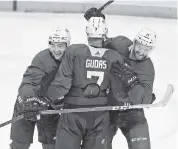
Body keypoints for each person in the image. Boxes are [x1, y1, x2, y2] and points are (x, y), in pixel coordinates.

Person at [46, 16, 125, 149]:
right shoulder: (114, 56)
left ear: (87, 32)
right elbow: (118, 93)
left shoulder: (74, 51)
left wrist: (43, 99)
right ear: (105, 32)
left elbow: (62, 85)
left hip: (72, 114)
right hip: (100, 115)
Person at [84, 7, 156, 149]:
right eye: (140, 46)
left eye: (147, 49)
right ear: (134, 42)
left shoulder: (147, 67)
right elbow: (98, 41)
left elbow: (145, 101)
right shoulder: (120, 43)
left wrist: (131, 81)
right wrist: (97, 22)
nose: (141, 52)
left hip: (132, 112)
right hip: (107, 108)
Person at [10, 27, 71, 149]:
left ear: (67, 45)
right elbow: (29, 82)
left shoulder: (72, 60)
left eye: (60, 46)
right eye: (52, 45)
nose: (56, 49)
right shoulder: (42, 59)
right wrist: (29, 100)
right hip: (27, 104)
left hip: (51, 106)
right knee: (20, 143)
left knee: (51, 145)